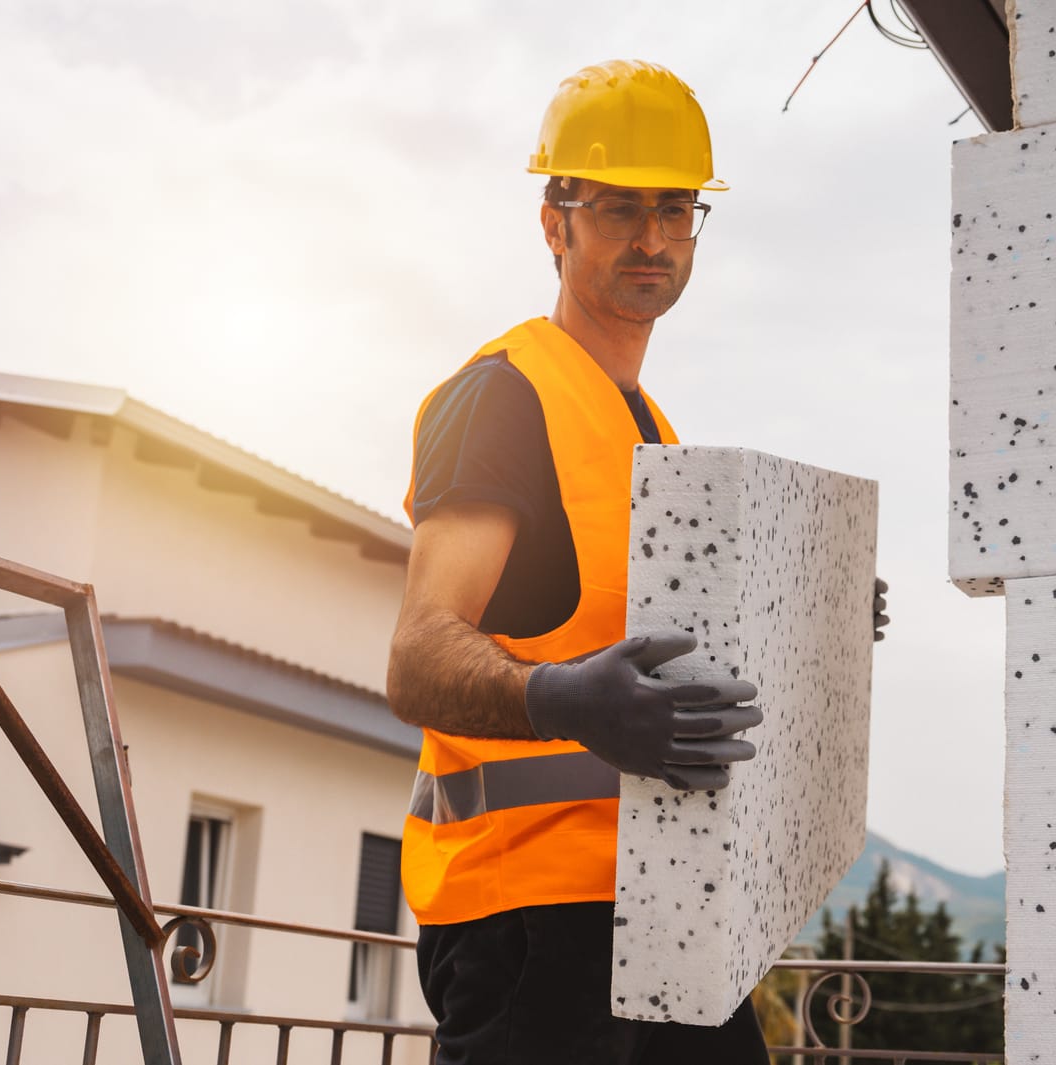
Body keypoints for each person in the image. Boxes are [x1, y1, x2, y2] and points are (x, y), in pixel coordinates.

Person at [385, 59, 775, 1064]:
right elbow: (418, 658)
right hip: (532, 929)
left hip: (665, 897)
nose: (652, 239)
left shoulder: (650, 431)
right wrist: (563, 700)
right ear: (555, 221)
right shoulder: (504, 397)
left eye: (676, 210)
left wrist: (811, 608)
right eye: (617, 210)